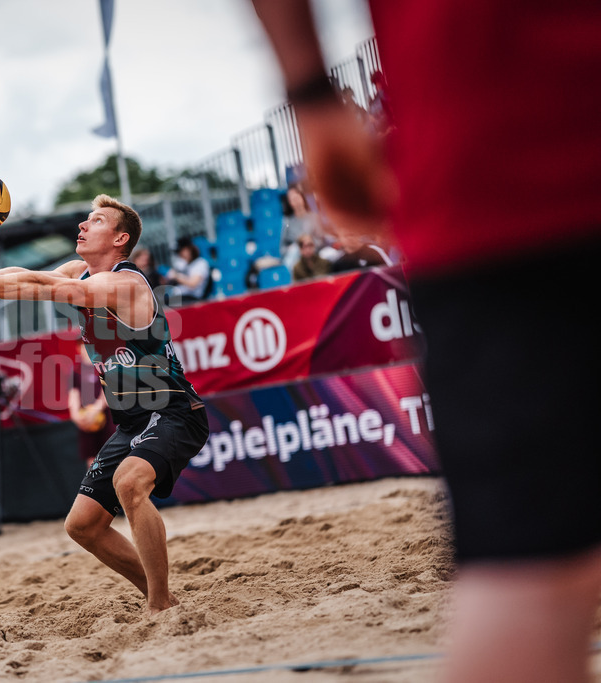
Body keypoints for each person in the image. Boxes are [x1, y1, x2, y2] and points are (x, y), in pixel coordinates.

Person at [251, 2, 601, 682]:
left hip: (494, 166)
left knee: (528, 580)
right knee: (528, 580)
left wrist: (311, 94)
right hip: (497, 165)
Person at [0, 194, 209, 615]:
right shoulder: (80, 271)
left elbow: (53, 289)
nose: (82, 225)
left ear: (120, 239)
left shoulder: (126, 283)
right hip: (131, 422)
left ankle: (158, 605)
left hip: (172, 412)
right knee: (82, 526)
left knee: (129, 484)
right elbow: (23, 277)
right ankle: (164, 596)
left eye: (95, 220)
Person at [67, 346, 116, 470]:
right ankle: (95, 481)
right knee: (91, 457)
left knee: (113, 452)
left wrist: (97, 408)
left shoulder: (104, 365)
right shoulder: (76, 370)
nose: (85, 348)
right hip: (87, 420)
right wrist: (76, 415)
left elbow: (109, 390)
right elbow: (73, 395)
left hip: (107, 417)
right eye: (81, 345)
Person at [162, 237, 211, 303]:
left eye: (181, 251)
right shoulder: (184, 264)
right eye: (178, 253)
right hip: (178, 297)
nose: (180, 255)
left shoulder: (200, 263)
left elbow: (193, 283)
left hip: (191, 299)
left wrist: (176, 276)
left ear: (189, 249)